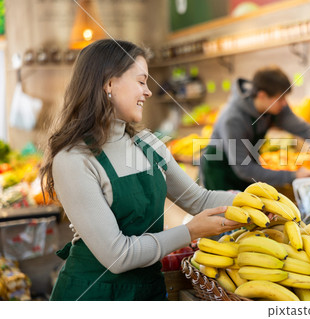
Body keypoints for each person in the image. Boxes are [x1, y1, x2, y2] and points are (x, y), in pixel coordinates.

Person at [39, 39, 244, 301]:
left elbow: (198, 199)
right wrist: (190, 232)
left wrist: (258, 200)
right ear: (108, 83)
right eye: (141, 81)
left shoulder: (148, 144)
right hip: (94, 295)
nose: (148, 92)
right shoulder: (73, 158)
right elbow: (118, 256)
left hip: (149, 291)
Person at [200, 65, 310, 191]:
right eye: (281, 99)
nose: (285, 103)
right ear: (261, 96)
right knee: (225, 223)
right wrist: (292, 176)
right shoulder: (233, 119)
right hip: (220, 170)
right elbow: (243, 168)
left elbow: (304, 129)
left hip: (248, 166)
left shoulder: (275, 108)